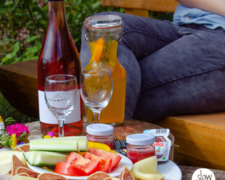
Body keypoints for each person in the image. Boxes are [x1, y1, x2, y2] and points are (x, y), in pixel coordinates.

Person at [80, 0, 225, 122]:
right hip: (184, 26)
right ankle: (104, 149)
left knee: (117, 93)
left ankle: (108, 150)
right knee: (101, 30)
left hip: (219, 41)